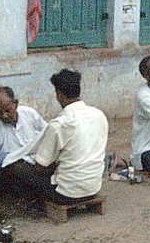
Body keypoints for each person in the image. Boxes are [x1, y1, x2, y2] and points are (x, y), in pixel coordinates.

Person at [27, 69, 109, 205]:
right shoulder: (99, 115)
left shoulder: (59, 124)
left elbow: (40, 167)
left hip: (65, 193)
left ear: (59, 95)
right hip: (93, 187)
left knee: (18, 169)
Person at [0, 87, 47, 214]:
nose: (4, 115)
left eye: (8, 110)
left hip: (31, 164)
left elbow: (49, 134)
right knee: (3, 159)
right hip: (7, 172)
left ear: (15, 104)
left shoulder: (30, 114)